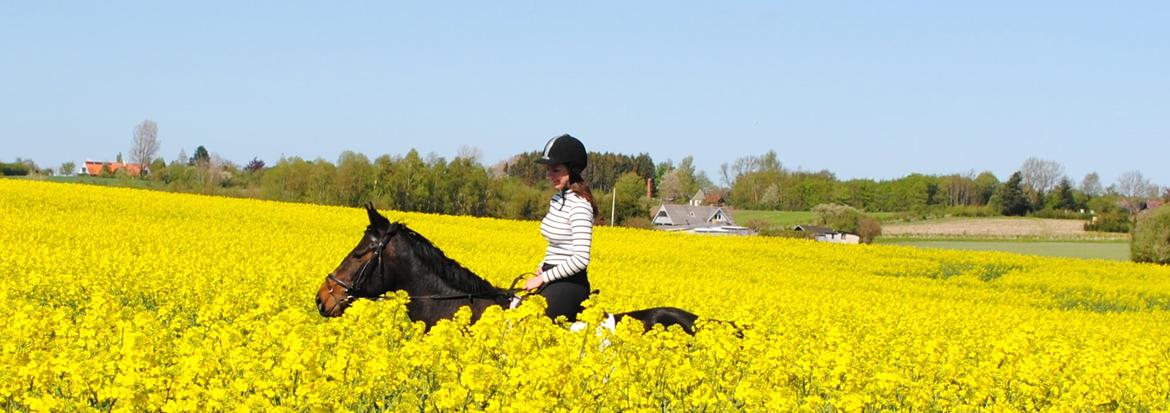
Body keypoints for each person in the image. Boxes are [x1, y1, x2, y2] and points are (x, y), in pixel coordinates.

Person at [523, 134, 598, 322]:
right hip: (550, 274)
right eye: (548, 170)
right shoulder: (556, 200)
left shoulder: (580, 206)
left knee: (531, 324)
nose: (549, 176)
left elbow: (580, 259)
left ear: (572, 170)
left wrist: (543, 278)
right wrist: (543, 265)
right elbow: (556, 245)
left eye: (555, 170)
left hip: (570, 284)